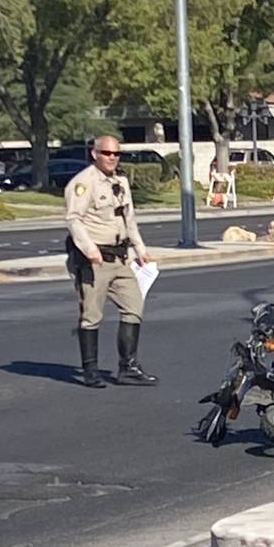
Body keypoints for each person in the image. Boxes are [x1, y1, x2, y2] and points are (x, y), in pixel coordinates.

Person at [65, 136, 158, 388]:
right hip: (95, 260)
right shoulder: (83, 183)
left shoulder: (120, 182)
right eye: (106, 153)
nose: (112, 157)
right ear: (94, 154)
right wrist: (89, 248)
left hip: (120, 257)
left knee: (134, 306)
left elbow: (129, 220)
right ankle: (90, 370)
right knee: (91, 315)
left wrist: (140, 248)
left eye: (116, 154)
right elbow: (74, 219)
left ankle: (127, 368)